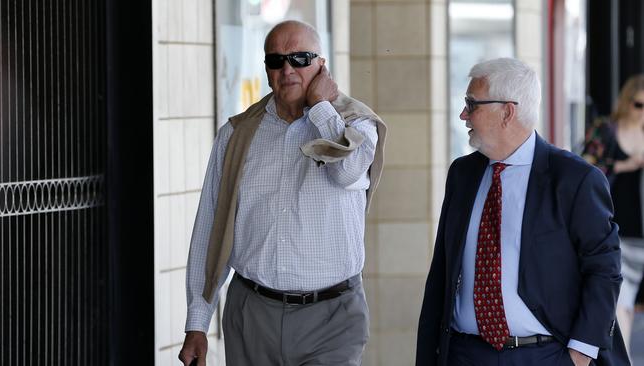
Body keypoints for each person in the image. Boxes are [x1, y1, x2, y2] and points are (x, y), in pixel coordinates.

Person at [178, 20, 386, 366]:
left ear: (322, 65)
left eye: (301, 58)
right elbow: (209, 229)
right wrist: (197, 322)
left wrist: (321, 108)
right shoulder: (237, 134)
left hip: (332, 319)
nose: (287, 69)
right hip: (252, 314)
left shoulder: (357, 124)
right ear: (267, 69)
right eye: (276, 61)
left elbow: (346, 170)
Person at [416, 57, 629, 366]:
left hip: (545, 355)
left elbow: (604, 269)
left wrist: (580, 353)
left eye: (471, 104)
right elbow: (442, 273)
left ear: (507, 111)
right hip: (464, 354)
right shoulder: (463, 174)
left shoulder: (574, 179)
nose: (463, 115)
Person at [582, 74, 644, 359]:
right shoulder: (605, 129)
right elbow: (584, 169)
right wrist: (623, 165)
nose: (642, 112)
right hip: (618, 230)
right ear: (626, 102)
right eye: (638, 104)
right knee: (621, 307)